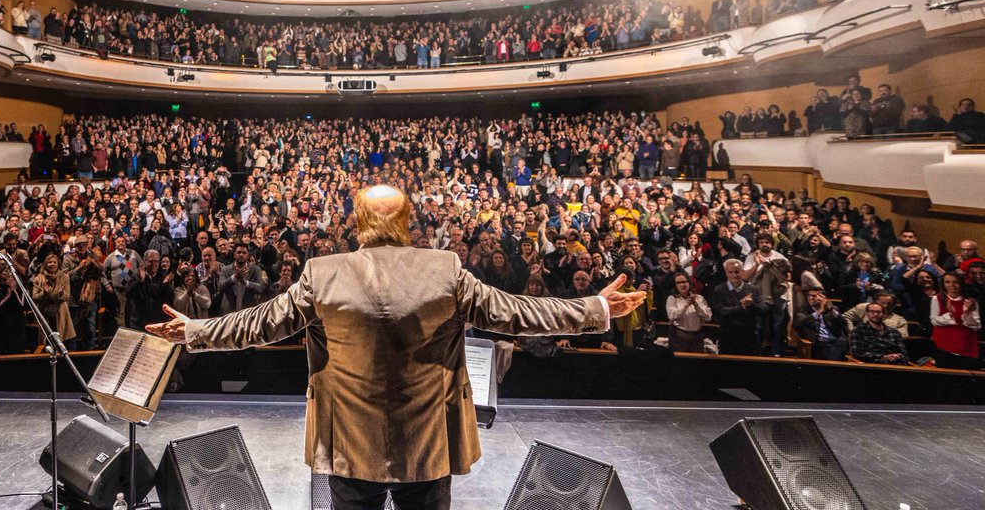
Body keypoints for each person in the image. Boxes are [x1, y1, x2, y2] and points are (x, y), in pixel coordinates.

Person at [148, 184, 644, 510]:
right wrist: (595, 310)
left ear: (357, 222)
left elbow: (259, 324)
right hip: (427, 446)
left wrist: (196, 331)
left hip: (349, 446)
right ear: (408, 220)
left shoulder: (323, 273)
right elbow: (519, 313)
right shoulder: (445, 268)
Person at [709, 257, 762, 355]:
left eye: (737, 272)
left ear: (742, 271)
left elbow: (762, 311)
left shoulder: (753, 289)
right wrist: (741, 307)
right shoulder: (719, 290)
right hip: (729, 336)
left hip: (750, 337)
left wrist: (751, 305)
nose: (734, 275)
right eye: (730, 272)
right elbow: (721, 311)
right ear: (726, 273)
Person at [930, 273, 981, 369]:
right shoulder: (937, 299)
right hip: (943, 344)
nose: (951, 285)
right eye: (947, 282)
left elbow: (976, 326)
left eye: (955, 282)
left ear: (961, 284)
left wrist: (967, 313)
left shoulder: (971, 302)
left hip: (966, 344)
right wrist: (950, 315)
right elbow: (934, 321)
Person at [793, 288, 847, 361]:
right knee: (828, 348)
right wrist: (817, 313)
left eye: (814, 296)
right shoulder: (803, 308)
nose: (810, 298)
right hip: (816, 340)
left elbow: (844, 323)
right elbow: (799, 323)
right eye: (809, 295)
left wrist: (831, 309)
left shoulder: (831, 309)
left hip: (833, 339)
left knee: (842, 342)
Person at [665, 272, 710, 353]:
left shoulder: (699, 298)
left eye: (684, 281)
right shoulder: (672, 298)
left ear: (689, 283)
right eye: (679, 283)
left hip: (697, 336)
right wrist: (686, 304)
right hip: (679, 336)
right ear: (675, 285)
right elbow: (672, 316)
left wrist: (696, 304)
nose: (682, 285)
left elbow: (708, 317)